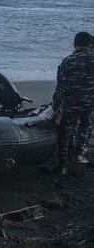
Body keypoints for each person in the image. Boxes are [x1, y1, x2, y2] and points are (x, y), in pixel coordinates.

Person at [52, 31, 94, 175]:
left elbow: (60, 88)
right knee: (86, 126)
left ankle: (63, 166)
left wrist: (56, 108)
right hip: (90, 103)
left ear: (74, 44)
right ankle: (79, 154)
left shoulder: (67, 61)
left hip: (71, 103)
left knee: (65, 132)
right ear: (91, 45)